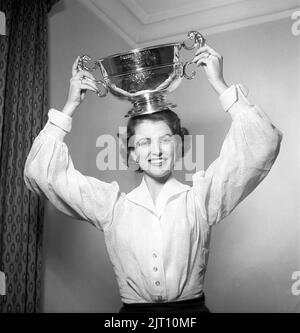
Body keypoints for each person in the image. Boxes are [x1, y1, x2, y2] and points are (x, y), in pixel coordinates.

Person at [23, 44, 282, 313]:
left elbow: (262, 144)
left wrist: (221, 85)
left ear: (180, 145)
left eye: (165, 140)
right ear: (131, 152)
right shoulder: (112, 207)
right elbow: (42, 173)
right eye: (144, 142)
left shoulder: (201, 201)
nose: (156, 151)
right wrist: (70, 105)